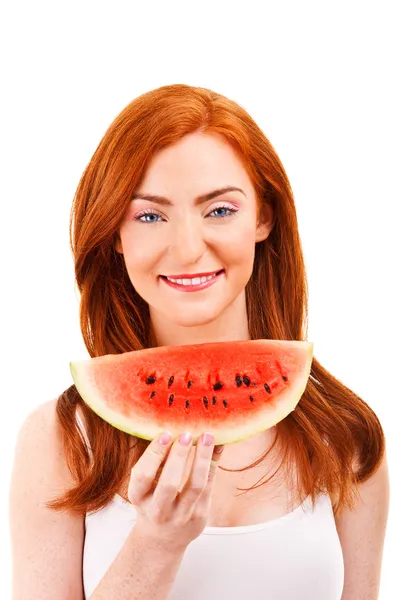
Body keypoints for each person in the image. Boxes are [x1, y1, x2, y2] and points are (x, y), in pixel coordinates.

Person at [9, 83, 390, 600]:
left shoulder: (344, 438)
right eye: (149, 215)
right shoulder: (63, 441)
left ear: (264, 217)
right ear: (114, 236)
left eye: (219, 210)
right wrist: (156, 542)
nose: (189, 249)